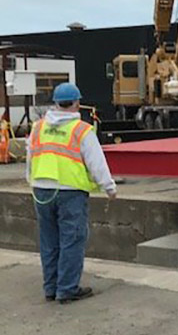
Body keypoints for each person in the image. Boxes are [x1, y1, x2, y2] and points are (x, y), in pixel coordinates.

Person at [27, 83, 117, 304]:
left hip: (41, 191)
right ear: (77, 102)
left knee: (49, 241)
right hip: (70, 193)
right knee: (72, 240)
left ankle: (51, 288)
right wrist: (109, 187)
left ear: (55, 103)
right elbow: (96, 162)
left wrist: (31, 180)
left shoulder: (38, 127)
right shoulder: (81, 129)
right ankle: (66, 289)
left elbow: (30, 157)